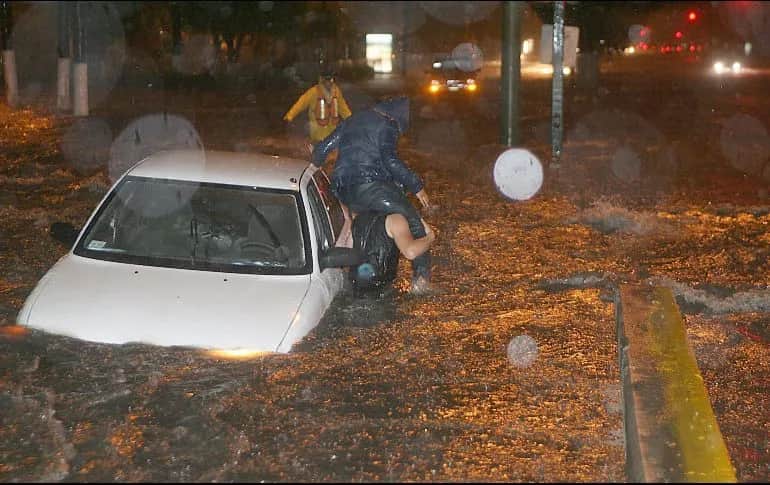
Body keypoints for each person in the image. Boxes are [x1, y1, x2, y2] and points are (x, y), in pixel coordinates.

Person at [311, 96, 435, 294]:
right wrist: (417, 186)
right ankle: (421, 281)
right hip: (370, 186)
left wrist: (314, 165)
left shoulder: (353, 119)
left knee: (365, 228)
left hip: (343, 190)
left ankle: (355, 275)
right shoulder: (387, 125)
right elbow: (391, 161)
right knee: (414, 222)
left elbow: (323, 148)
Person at [350, 211, 436, 294]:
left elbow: (345, 246)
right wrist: (430, 237)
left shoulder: (356, 214)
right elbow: (410, 252)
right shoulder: (395, 219)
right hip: (382, 291)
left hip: (356, 288)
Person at [283, 66, 352, 148]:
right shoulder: (314, 92)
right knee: (318, 152)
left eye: (331, 79)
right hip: (317, 132)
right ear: (322, 80)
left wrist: (352, 119)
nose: (329, 83)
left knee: (331, 153)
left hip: (332, 132)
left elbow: (343, 108)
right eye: (327, 80)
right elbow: (300, 104)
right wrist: (289, 116)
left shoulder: (336, 92)